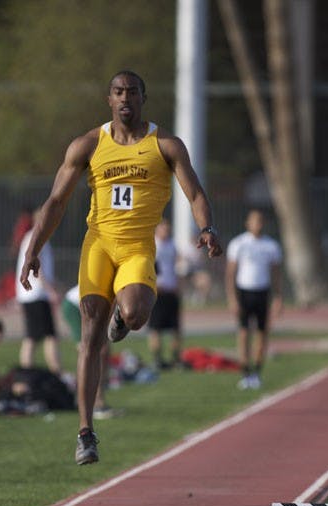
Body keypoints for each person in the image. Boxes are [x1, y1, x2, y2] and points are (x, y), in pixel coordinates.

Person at [20, 70, 223, 465]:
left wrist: (207, 228)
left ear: (143, 97)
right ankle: (85, 432)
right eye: (117, 92)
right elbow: (55, 203)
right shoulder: (88, 145)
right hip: (98, 245)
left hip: (136, 249)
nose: (125, 97)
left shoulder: (165, 145)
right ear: (109, 99)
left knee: (135, 313)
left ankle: (122, 318)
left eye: (131, 91)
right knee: (91, 337)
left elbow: (195, 192)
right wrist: (34, 248)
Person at [225, 209, 283, 390]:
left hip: (262, 293)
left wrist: (278, 298)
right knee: (243, 334)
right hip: (244, 292)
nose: (257, 224)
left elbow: (275, 275)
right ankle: (245, 372)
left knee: (262, 334)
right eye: (254, 221)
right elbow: (230, 274)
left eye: (260, 221)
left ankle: (257, 372)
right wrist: (232, 298)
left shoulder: (271, 246)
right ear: (247, 223)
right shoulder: (239, 244)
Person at [62, 284, 123, 420]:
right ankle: (94, 403)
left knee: (103, 352)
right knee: (90, 352)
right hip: (75, 305)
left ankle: (97, 400)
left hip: (89, 304)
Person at [15, 208, 62, 375]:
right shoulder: (35, 237)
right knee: (43, 337)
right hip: (35, 294)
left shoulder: (40, 237)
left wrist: (54, 285)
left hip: (35, 294)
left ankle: (30, 373)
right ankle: (54, 372)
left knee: (36, 336)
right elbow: (37, 267)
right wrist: (51, 290)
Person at [147, 219, 181, 369]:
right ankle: (157, 359)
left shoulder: (172, 245)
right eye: (163, 228)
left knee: (175, 328)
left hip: (171, 291)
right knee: (156, 328)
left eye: (168, 228)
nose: (166, 231)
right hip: (158, 292)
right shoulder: (152, 245)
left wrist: (177, 284)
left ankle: (175, 359)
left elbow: (174, 267)